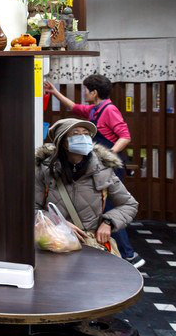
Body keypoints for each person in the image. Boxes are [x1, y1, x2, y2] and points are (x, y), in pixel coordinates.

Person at [43, 75, 143, 267]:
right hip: (93, 162)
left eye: (86, 90)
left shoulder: (110, 110)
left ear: (94, 92)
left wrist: (104, 155)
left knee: (108, 210)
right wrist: (54, 92)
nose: (84, 94)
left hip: (106, 164)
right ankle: (125, 253)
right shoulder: (95, 109)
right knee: (101, 209)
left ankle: (128, 254)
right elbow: (74, 107)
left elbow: (125, 136)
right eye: (76, 134)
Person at [35, 119, 138, 252]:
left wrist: (108, 222)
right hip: (55, 242)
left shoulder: (102, 169)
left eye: (86, 133)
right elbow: (32, 209)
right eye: (76, 133)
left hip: (90, 244)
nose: (83, 137)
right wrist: (58, 222)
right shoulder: (45, 170)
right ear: (63, 142)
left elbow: (129, 204)